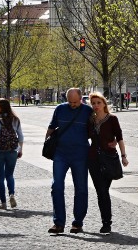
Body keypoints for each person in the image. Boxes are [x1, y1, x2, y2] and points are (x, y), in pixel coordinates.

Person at [46, 87, 93, 234]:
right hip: (61, 154)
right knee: (57, 186)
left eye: (75, 102)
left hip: (80, 154)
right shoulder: (60, 109)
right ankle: (58, 222)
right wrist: (46, 144)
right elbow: (52, 128)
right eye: (70, 101)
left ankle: (78, 222)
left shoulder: (87, 111)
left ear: (81, 99)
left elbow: (96, 129)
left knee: (81, 188)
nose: (73, 104)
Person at [87, 93, 128, 235]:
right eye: (93, 103)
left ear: (104, 103)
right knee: (101, 190)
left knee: (104, 190)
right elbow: (84, 136)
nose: (96, 106)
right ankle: (106, 223)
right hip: (93, 160)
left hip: (109, 158)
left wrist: (123, 156)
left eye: (98, 102)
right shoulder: (90, 120)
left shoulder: (112, 119)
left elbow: (120, 137)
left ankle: (106, 222)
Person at [0, 98, 23, 209]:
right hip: (12, 151)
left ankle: (3, 203)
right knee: (9, 175)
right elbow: (20, 136)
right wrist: (20, 150)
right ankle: (11, 194)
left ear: (0, 107)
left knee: (0, 177)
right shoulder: (15, 120)